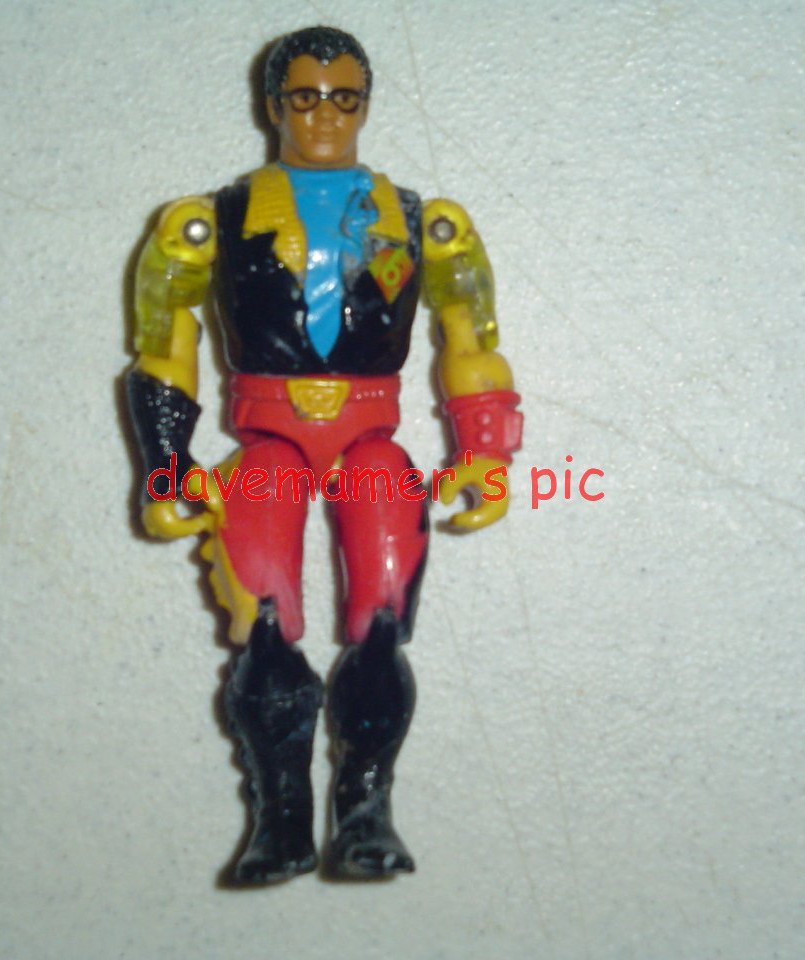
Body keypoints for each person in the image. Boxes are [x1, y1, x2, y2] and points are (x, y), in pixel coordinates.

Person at [126, 25, 522, 883]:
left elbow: (471, 338)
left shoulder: (418, 222)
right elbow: (164, 342)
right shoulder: (212, 220)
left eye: (344, 99)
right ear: (275, 105)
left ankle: (366, 807)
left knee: (382, 622)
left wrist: (485, 452)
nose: (325, 117)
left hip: (369, 438)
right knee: (261, 622)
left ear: (366, 105)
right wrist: (164, 466)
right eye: (305, 98)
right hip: (267, 439)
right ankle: (280, 817)